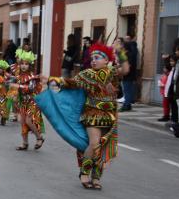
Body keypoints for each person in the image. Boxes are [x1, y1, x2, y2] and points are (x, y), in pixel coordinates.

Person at [42, 42, 129, 190]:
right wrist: (51, 80)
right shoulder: (86, 74)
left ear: (107, 60)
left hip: (109, 116)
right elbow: (70, 83)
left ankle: (96, 177)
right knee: (94, 144)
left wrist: (120, 52)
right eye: (92, 58)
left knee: (102, 147)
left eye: (98, 57)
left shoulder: (112, 73)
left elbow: (125, 69)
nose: (94, 60)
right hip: (92, 113)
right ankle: (84, 172)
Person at [11, 50, 45, 150]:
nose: (24, 66)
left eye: (26, 64)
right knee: (22, 122)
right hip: (23, 102)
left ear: (30, 65)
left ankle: (40, 138)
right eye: (22, 64)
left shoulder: (32, 77)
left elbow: (30, 88)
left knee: (29, 121)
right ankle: (25, 143)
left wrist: (18, 86)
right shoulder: (18, 76)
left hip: (32, 102)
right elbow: (13, 86)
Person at [120, 36, 138, 112]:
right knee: (127, 90)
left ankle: (127, 105)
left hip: (128, 75)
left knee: (127, 90)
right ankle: (127, 104)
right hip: (129, 75)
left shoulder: (128, 55)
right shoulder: (129, 54)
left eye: (123, 46)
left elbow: (127, 65)